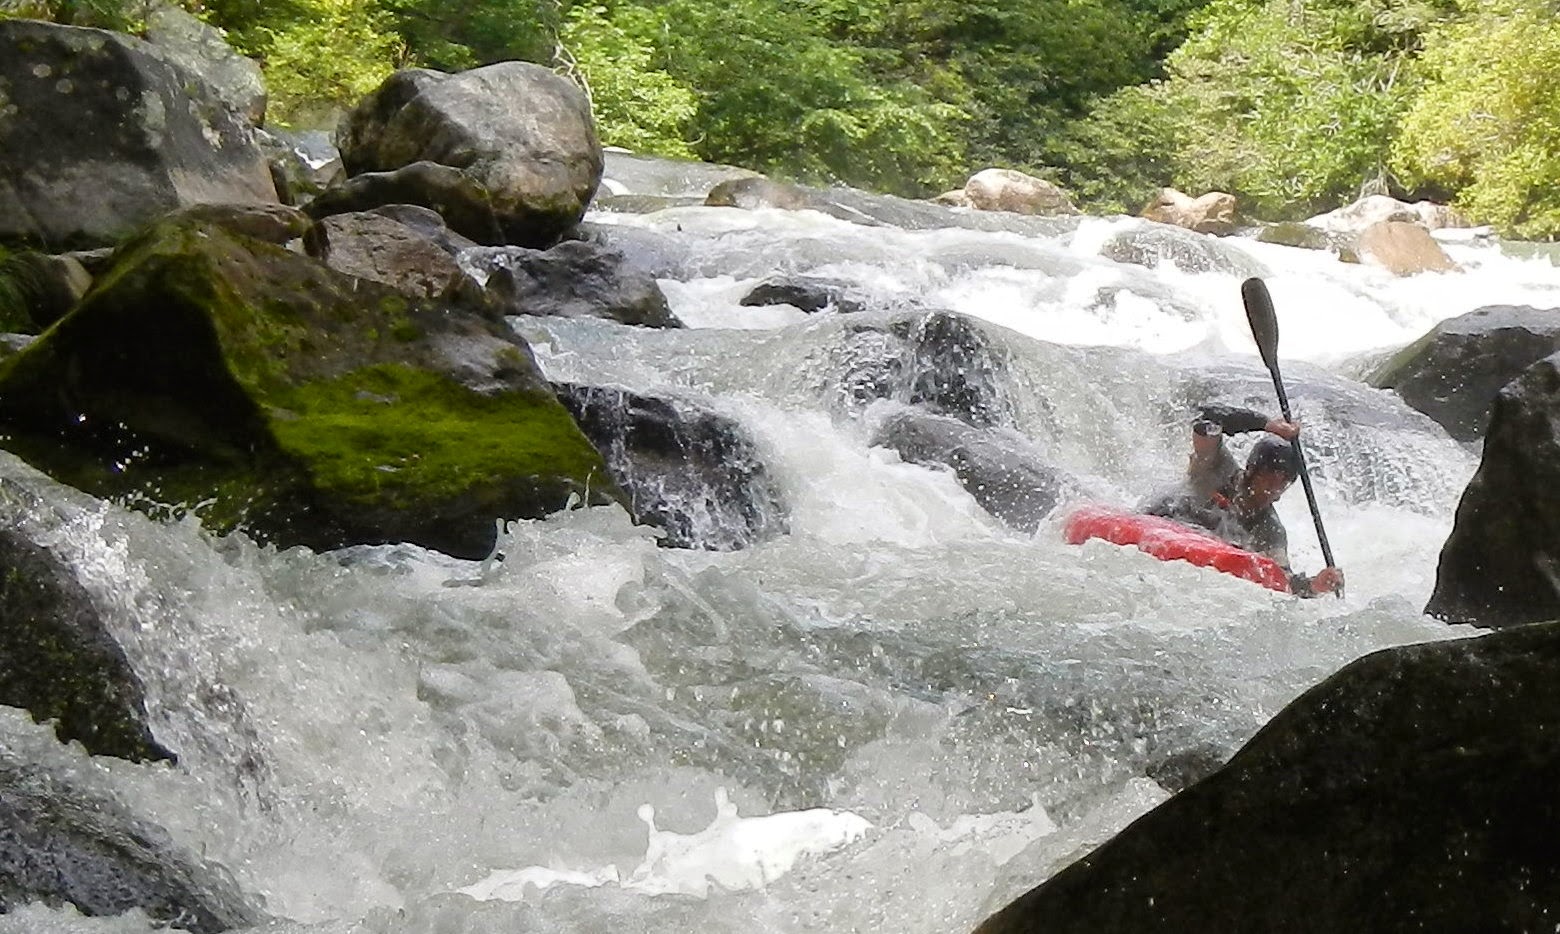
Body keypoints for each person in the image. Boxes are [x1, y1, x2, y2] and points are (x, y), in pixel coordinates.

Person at [1139, 404, 1344, 597]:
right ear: (1251, 471)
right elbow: (1206, 418)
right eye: (1268, 480)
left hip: (1186, 559)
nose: (1272, 491)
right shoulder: (1217, 466)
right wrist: (1265, 424)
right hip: (1160, 519)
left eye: (1282, 485)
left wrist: (1315, 585)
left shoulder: (1269, 529)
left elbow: (1283, 582)